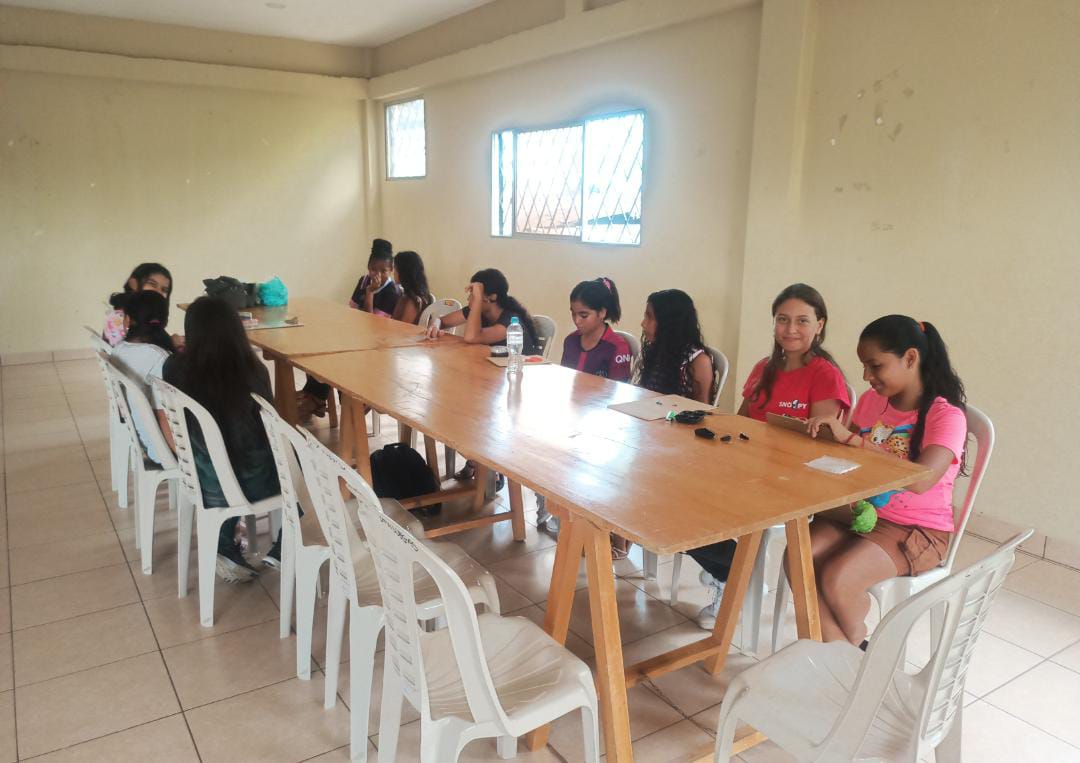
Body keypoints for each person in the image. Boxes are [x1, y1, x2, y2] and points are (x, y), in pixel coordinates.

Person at [692, 283, 850, 629]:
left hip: (793, 481)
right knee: (678, 494)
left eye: (802, 320)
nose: (790, 329)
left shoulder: (825, 375)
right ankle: (731, 567)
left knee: (695, 508)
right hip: (752, 470)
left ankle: (734, 576)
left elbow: (823, 446)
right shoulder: (764, 368)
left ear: (820, 325)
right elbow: (742, 423)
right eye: (782, 319)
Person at [803, 316, 967, 646]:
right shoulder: (871, 401)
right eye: (864, 366)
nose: (867, 376)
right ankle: (844, 654)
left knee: (839, 577)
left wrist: (852, 440)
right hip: (861, 511)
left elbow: (921, 480)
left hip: (916, 529)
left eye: (876, 366)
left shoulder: (946, 415)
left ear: (910, 358)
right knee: (800, 559)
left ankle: (851, 648)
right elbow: (852, 459)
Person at [162, 297, 282, 582]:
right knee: (296, 463)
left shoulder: (174, 367)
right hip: (246, 485)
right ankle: (288, 540)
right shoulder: (254, 372)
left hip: (199, 475)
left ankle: (226, 543)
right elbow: (270, 431)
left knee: (232, 455)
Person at [537, 277, 632, 535]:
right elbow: (566, 380)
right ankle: (549, 504)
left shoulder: (617, 347)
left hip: (602, 422)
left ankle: (580, 517)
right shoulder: (570, 341)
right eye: (573, 314)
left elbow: (619, 396)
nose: (576, 321)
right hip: (573, 414)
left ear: (602, 313)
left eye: (583, 315)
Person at [299, 239, 402, 418]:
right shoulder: (363, 280)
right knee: (323, 349)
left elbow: (372, 324)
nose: (378, 275)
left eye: (384, 271)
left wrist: (370, 293)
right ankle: (317, 397)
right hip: (357, 337)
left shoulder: (391, 292)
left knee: (338, 357)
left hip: (376, 346)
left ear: (391, 270)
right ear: (368, 267)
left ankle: (327, 400)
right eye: (373, 269)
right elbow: (352, 310)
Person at [110, 290, 175, 465]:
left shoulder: (119, 350)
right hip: (160, 448)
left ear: (128, 320)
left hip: (141, 437)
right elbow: (164, 416)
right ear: (165, 321)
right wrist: (182, 459)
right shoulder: (160, 358)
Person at [426, 268, 540, 355]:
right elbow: (441, 320)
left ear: (492, 297)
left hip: (516, 371)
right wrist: (435, 325)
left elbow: (471, 337)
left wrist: (477, 300)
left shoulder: (510, 322)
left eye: (474, 294)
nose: (469, 298)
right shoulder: (479, 311)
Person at [635, 289, 715, 404]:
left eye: (650, 317)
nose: (643, 323)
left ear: (669, 323)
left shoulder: (699, 361)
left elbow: (702, 409)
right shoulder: (657, 349)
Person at [103, 263, 182, 349]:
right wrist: (171, 342)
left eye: (164, 290)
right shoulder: (118, 318)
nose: (158, 292)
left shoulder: (150, 317)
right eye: (152, 284)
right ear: (134, 284)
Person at [391, 250, 434, 325]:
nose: (393, 272)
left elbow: (402, 328)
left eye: (395, 269)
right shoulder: (405, 295)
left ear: (404, 272)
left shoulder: (413, 301)